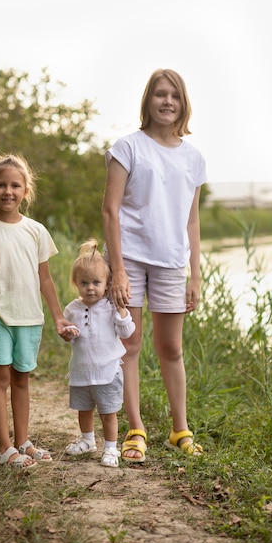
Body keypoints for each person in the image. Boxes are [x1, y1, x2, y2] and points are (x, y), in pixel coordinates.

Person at [101, 68, 207, 463]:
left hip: (171, 263)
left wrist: (196, 274)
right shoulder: (127, 147)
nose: (167, 101)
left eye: (174, 96)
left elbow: (192, 219)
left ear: (183, 104)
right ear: (148, 101)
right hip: (129, 258)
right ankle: (136, 429)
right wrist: (120, 271)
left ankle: (180, 430)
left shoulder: (194, 158)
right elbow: (110, 211)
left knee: (172, 348)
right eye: (160, 94)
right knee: (129, 346)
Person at [0, 153, 73, 471]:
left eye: (15, 185)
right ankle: (4, 448)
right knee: (0, 380)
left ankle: (23, 441)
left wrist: (57, 316)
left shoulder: (36, 231)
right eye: (0, 185)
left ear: (26, 190)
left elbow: (45, 279)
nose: (7, 191)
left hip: (29, 317)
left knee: (22, 379)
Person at [61, 239, 135, 468]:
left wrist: (122, 311)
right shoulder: (72, 309)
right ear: (76, 284)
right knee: (84, 409)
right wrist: (68, 333)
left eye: (96, 282)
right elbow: (69, 335)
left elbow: (127, 331)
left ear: (107, 283)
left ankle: (111, 447)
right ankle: (87, 440)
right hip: (82, 371)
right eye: (84, 283)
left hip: (107, 371)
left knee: (108, 412)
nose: (90, 288)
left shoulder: (111, 306)